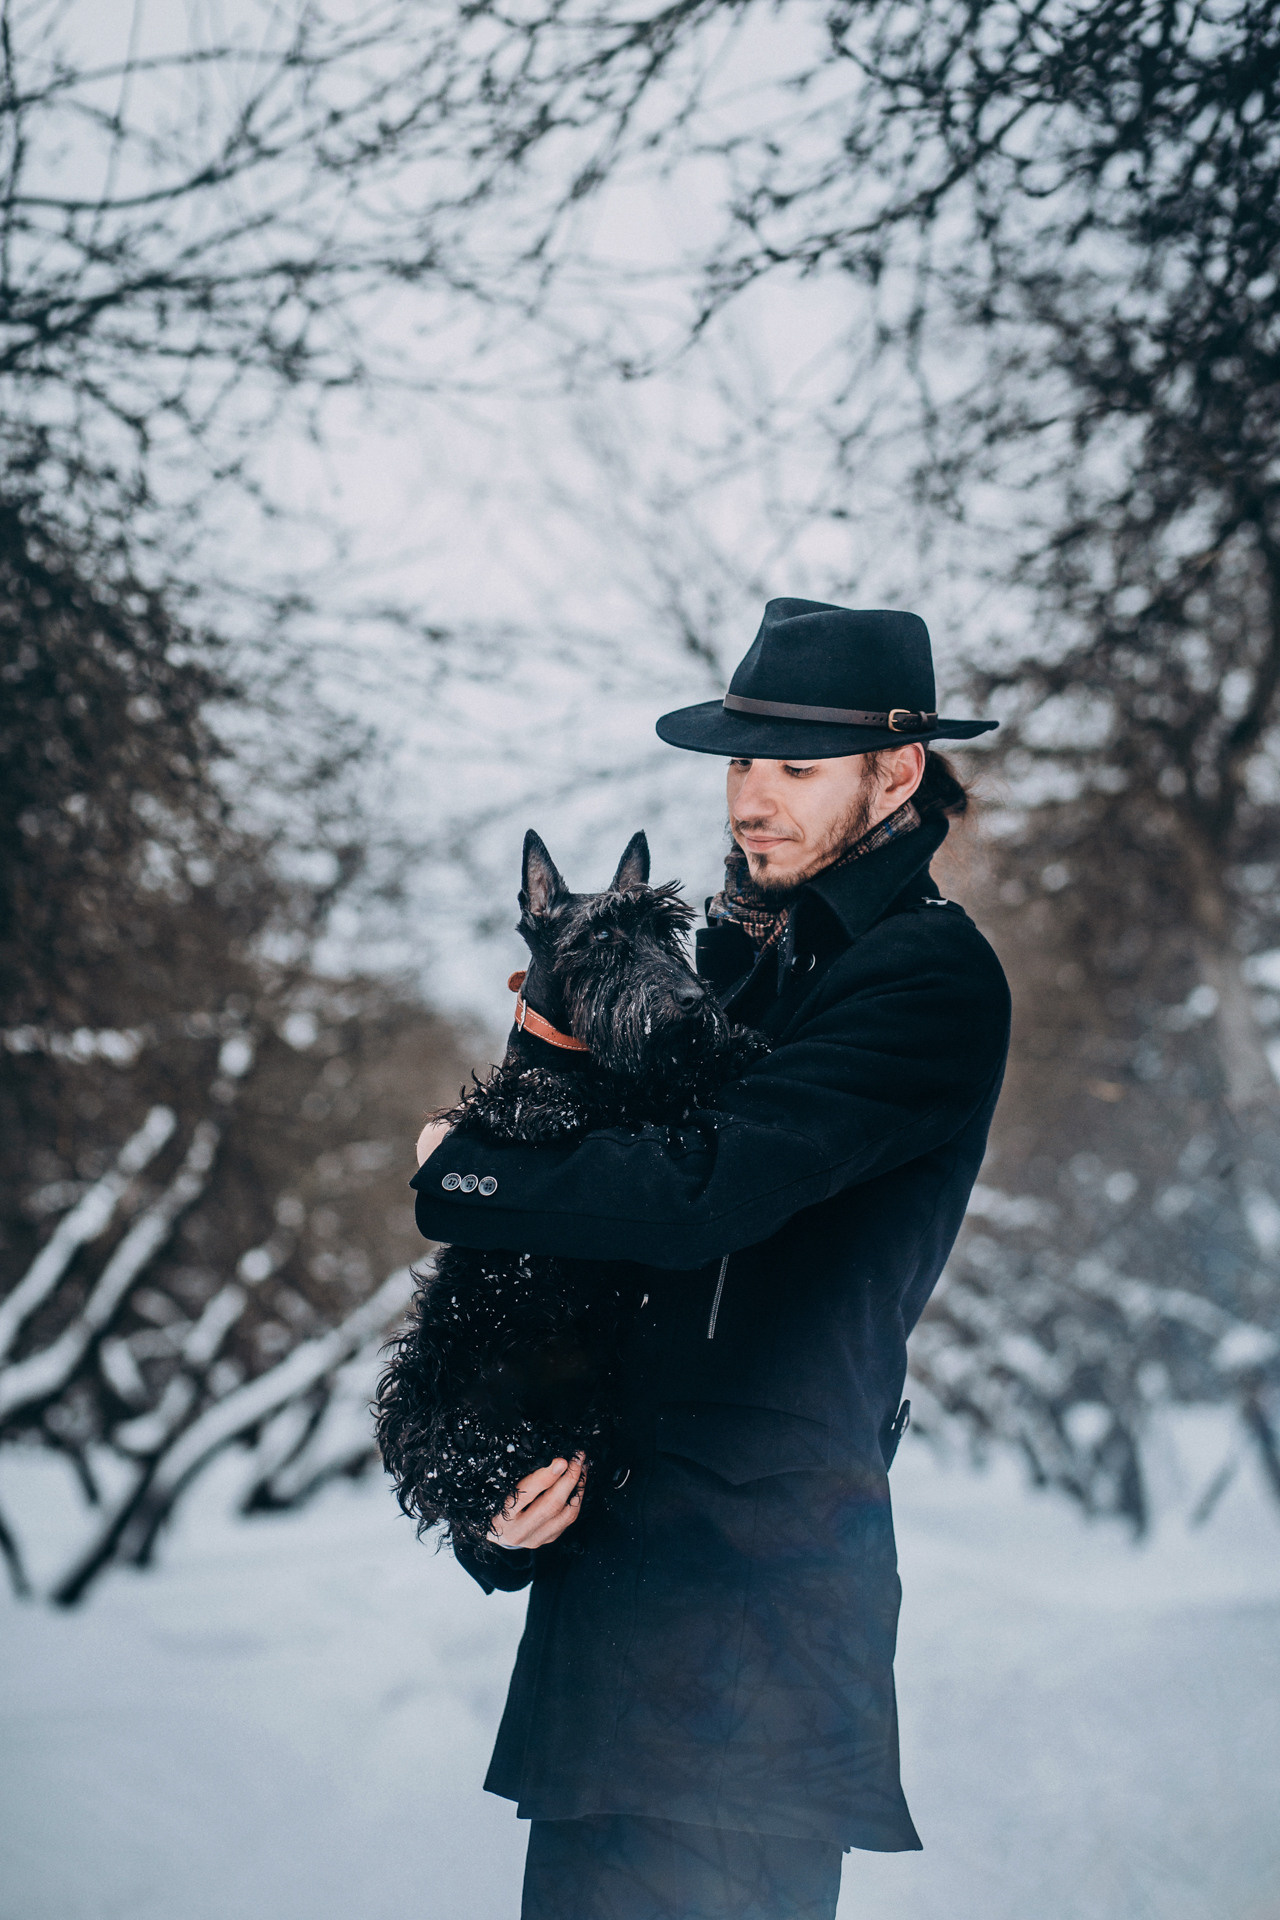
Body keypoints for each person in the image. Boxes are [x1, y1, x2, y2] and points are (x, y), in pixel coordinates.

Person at [411, 599, 1011, 1920]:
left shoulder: (926, 981)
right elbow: (588, 1275)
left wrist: (463, 1167)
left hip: (758, 1645)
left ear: (896, 771)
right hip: (606, 1633)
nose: (753, 798)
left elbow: (696, 1197)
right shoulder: (723, 974)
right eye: (744, 762)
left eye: (796, 767)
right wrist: (496, 1491)